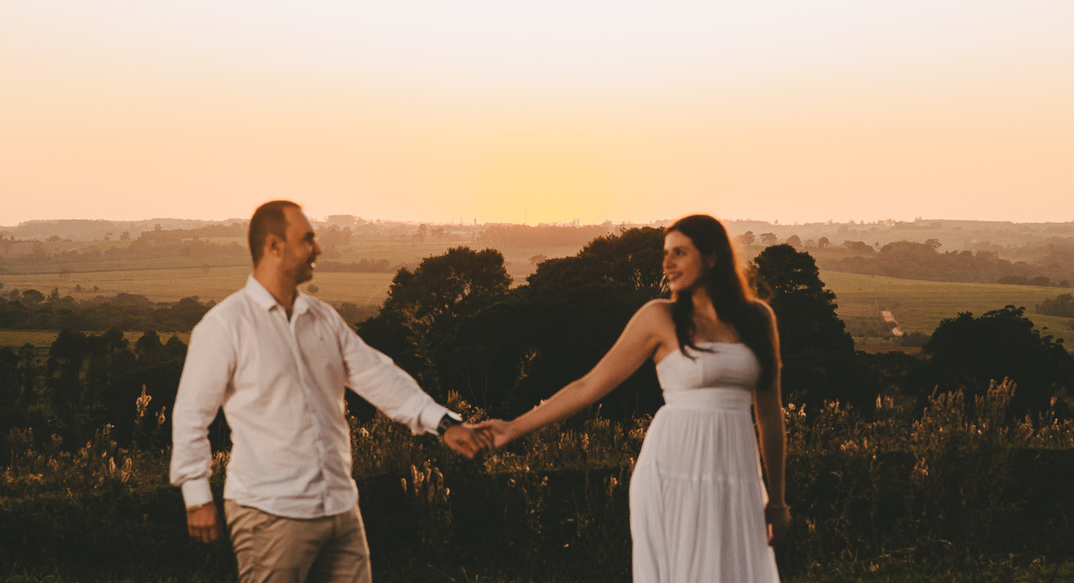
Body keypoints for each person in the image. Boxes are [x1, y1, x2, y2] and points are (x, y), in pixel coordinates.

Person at [170, 200, 490, 583]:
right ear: (274, 246)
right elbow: (191, 415)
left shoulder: (324, 320)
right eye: (307, 239)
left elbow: (379, 376)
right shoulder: (225, 326)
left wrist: (444, 423)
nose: (318, 249)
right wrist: (196, 496)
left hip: (341, 510)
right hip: (270, 514)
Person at [481, 214, 790, 583]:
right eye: (666, 253)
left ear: (712, 257)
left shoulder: (758, 319)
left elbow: (770, 414)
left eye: (680, 252)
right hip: (674, 468)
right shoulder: (659, 317)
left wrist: (778, 500)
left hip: (737, 472)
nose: (667, 263)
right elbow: (588, 385)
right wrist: (514, 427)